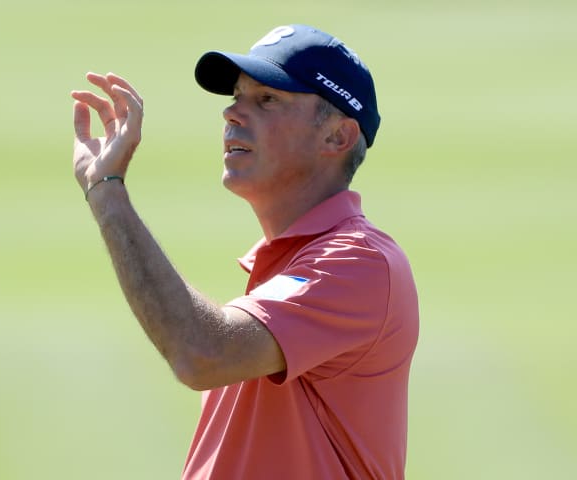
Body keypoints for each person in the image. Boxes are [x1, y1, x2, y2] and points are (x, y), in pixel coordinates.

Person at [71, 24, 419, 480]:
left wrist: (108, 193)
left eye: (267, 99)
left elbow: (200, 352)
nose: (232, 114)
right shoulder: (283, 269)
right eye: (236, 96)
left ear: (337, 137)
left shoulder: (360, 263)